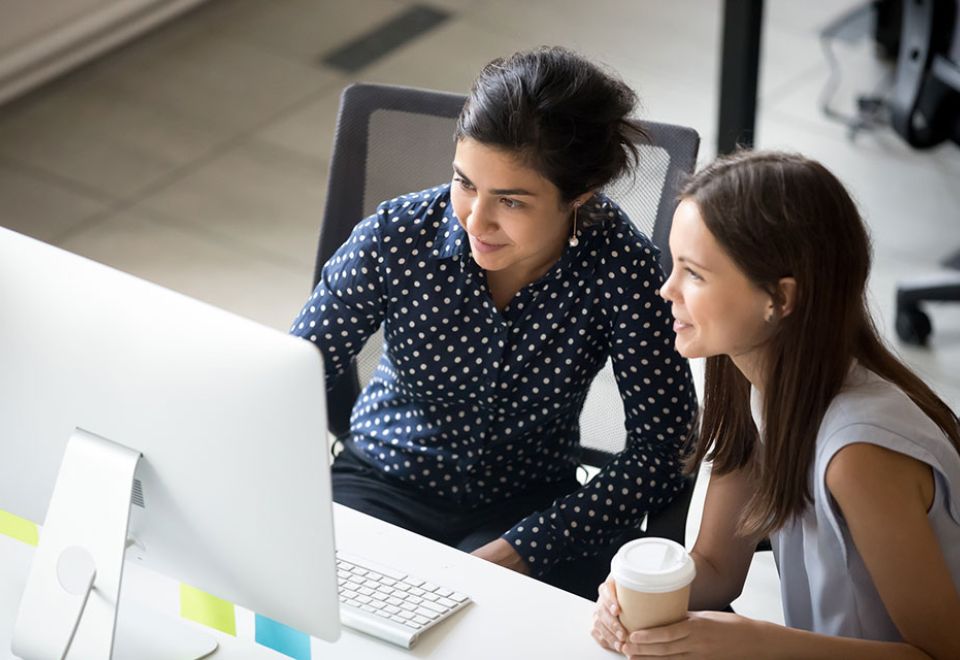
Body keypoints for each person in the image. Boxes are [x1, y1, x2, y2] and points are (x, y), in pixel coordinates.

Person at [289, 46, 698, 598]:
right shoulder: (397, 236)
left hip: (528, 507)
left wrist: (533, 544)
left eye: (511, 201)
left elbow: (665, 447)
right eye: (465, 183)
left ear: (580, 195)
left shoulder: (620, 267)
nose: (475, 220)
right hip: (382, 482)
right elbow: (290, 378)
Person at [592, 150, 960, 657]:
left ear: (780, 300)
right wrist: (631, 598)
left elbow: (943, 652)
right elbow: (718, 569)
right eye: (673, 265)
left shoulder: (859, 457)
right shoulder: (753, 386)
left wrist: (759, 643)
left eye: (694, 273)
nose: (666, 289)